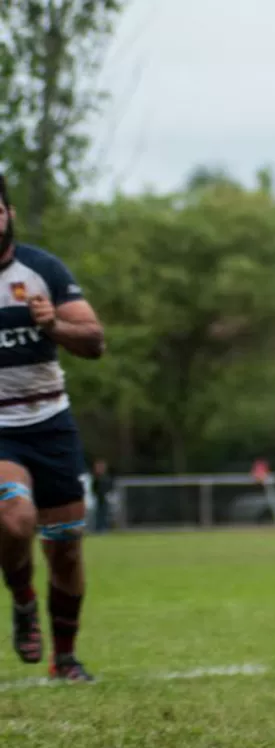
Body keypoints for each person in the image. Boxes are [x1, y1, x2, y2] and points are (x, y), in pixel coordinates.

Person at [0, 171, 106, 682]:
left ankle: (63, 658)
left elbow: (94, 341)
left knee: (64, 546)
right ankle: (22, 598)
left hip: (50, 423)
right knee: (15, 519)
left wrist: (52, 326)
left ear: (8, 213)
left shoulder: (41, 270)